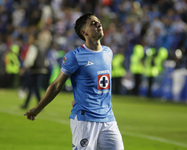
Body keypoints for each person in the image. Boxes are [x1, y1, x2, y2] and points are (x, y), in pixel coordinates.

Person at [24, 12, 124, 150]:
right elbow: (56, 85)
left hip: (108, 119)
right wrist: (37, 108)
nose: (98, 24)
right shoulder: (74, 57)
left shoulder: (108, 52)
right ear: (84, 32)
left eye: (98, 22)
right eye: (93, 24)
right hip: (85, 120)